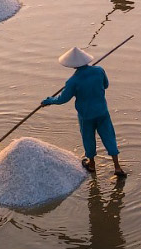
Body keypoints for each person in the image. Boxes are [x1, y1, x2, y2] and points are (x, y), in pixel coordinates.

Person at [42, 46, 126, 177]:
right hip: (102, 112)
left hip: (86, 115)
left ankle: (91, 164)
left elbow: (62, 99)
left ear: (72, 65)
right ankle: (117, 167)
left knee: (88, 138)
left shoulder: (72, 81)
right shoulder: (99, 70)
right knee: (109, 136)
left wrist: (49, 100)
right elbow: (106, 85)